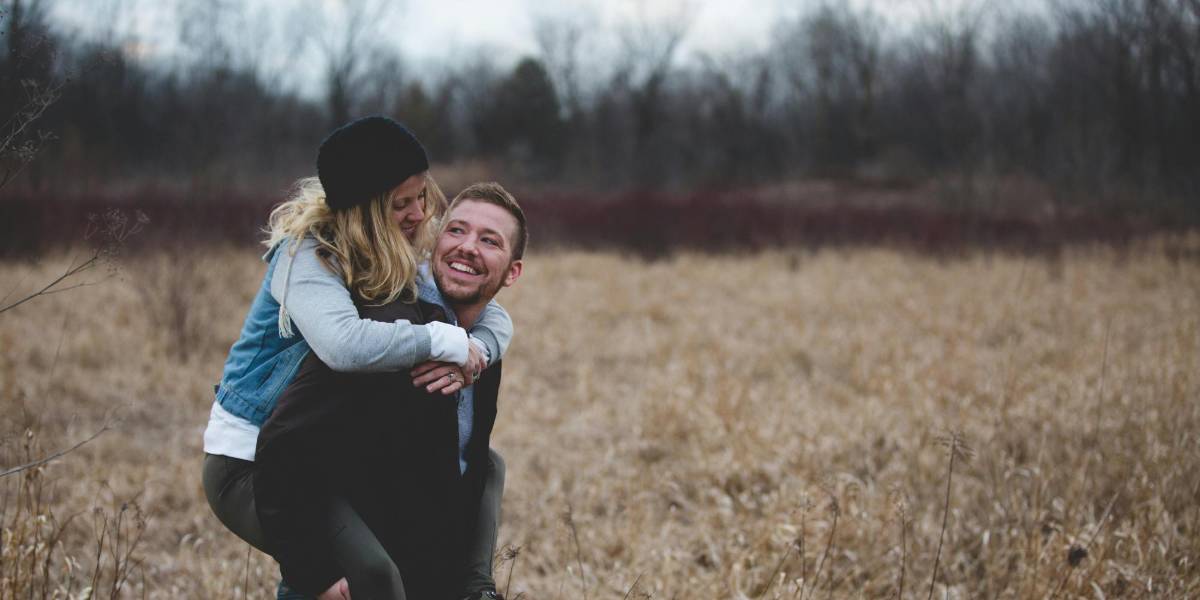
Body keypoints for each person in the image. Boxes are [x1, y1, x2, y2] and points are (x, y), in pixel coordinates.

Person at [201, 117, 513, 599]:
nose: (418, 214)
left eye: (421, 196)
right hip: (253, 457)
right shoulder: (307, 256)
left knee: (483, 466)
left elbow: (488, 311)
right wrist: (441, 340)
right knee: (366, 578)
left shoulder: (392, 246)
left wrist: (478, 352)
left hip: (315, 452)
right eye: (400, 204)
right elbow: (343, 345)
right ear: (365, 209)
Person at [255, 183, 527, 600]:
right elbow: (284, 446)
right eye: (456, 230)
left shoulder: (480, 343)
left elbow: (461, 468)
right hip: (349, 581)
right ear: (435, 242)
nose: (468, 247)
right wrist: (314, 574)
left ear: (512, 272)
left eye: (490, 241)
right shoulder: (388, 329)